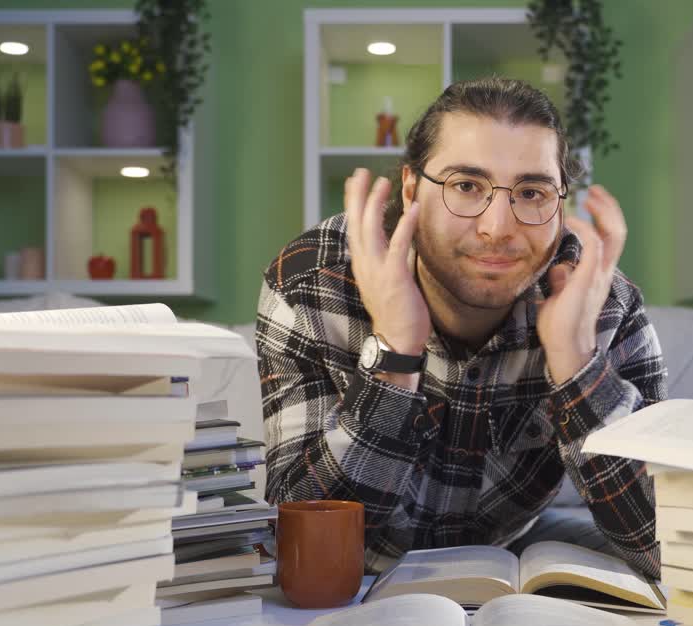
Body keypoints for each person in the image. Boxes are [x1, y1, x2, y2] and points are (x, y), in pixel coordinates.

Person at [256, 77, 667, 578]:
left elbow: (669, 548)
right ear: (411, 190)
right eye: (466, 186)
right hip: (364, 569)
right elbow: (297, 548)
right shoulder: (313, 283)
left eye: (532, 192)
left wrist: (577, 363)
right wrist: (394, 355)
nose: (497, 228)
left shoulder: (601, 304)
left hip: (513, 547)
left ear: (560, 204)